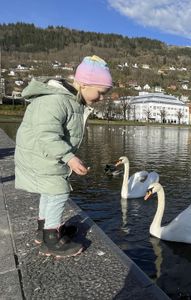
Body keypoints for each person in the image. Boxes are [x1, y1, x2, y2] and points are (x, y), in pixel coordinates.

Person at [14, 55, 113, 258]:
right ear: (84, 84)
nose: (102, 98)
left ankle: (45, 229)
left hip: (44, 156)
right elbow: (47, 135)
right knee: (58, 191)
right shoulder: (57, 101)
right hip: (41, 156)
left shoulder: (70, 101)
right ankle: (51, 240)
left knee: (49, 190)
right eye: (101, 93)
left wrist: (68, 156)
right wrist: (69, 157)